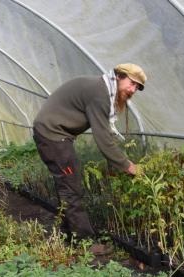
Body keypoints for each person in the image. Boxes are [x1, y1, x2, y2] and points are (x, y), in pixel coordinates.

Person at [32, 63, 146, 255]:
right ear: (119, 76)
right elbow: (103, 139)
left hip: (56, 136)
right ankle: (85, 244)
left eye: (137, 88)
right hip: (53, 137)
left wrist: (119, 164)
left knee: (68, 185)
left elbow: (105, 135)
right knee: (71, 188)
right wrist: (127, 166)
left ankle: (69, 235)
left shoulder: (101, 88)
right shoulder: (99, 94)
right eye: (132, 83)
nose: (133, 90)